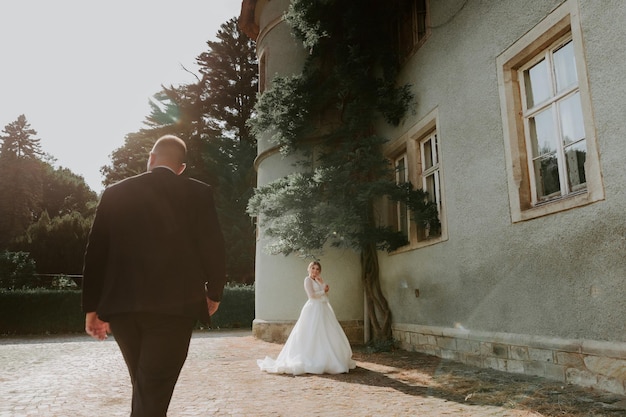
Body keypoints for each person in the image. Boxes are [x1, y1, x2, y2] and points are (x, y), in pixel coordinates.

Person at [81, 135, 226, 417]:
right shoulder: (198, 193)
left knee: (146, 388)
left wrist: (92, 308)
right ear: (181, 167)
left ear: (152, 158)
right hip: (174, 310)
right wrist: (214, 293)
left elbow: (95, 254)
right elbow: (214, 247)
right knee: (152, 391)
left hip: (124, 310)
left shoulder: (115, 192)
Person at [258, 261, 356, 375]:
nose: (315, 271)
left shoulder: (317, 280)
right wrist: (323, 290)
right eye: (313, 268)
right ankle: (310, 358)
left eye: (317, 269)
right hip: (313, 308)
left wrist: (323, 285)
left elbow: (324, 295)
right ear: (309, 269)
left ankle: (329, 359)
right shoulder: (307, 280)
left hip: (323, 308)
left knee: (327, 333)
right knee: (311, 332)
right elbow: (312, 295)